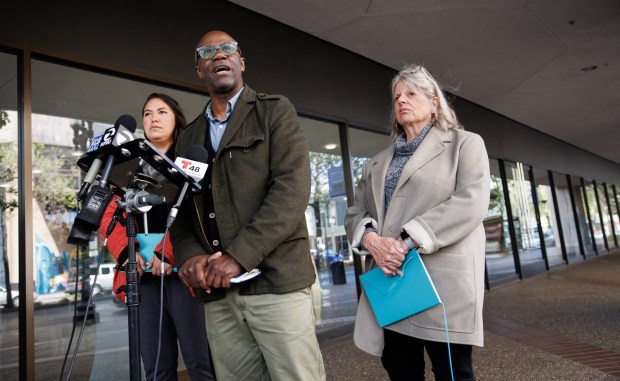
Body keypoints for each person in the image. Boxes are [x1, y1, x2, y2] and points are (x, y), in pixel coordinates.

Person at [170, 30, 325, 381]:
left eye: (227, 49)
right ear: (199, 69)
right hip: (219, 296)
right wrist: (191, 256)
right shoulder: (189, 137)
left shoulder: (274, 111)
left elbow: (291, 191)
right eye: (207, 52)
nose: (218, 55)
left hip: (276, 284)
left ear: (241, 61)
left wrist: (238, 256)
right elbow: (181, 214)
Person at [344, 65, 490, 381]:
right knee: (401, 371)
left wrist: (406, 241)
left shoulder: (465, 144)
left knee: (453, 373)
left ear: (434, 101)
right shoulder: (376, 162)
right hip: (393, 282)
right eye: (397, 96)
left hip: (442, 284)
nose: (402, 101)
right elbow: (355, 212)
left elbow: (471, 201)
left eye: (411, 93)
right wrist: (372, 241)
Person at [101, 93, 216, 381]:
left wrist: (167, 253)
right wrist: (128, 253)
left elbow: (195, 215)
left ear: (176, 119)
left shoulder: (192, 162)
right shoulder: (126, 165)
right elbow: (108, 215)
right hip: (142, 276)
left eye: (162, 112)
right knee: (156, 369)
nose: (154, 118)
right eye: (148, 113)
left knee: (200, 363)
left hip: (184, 272)